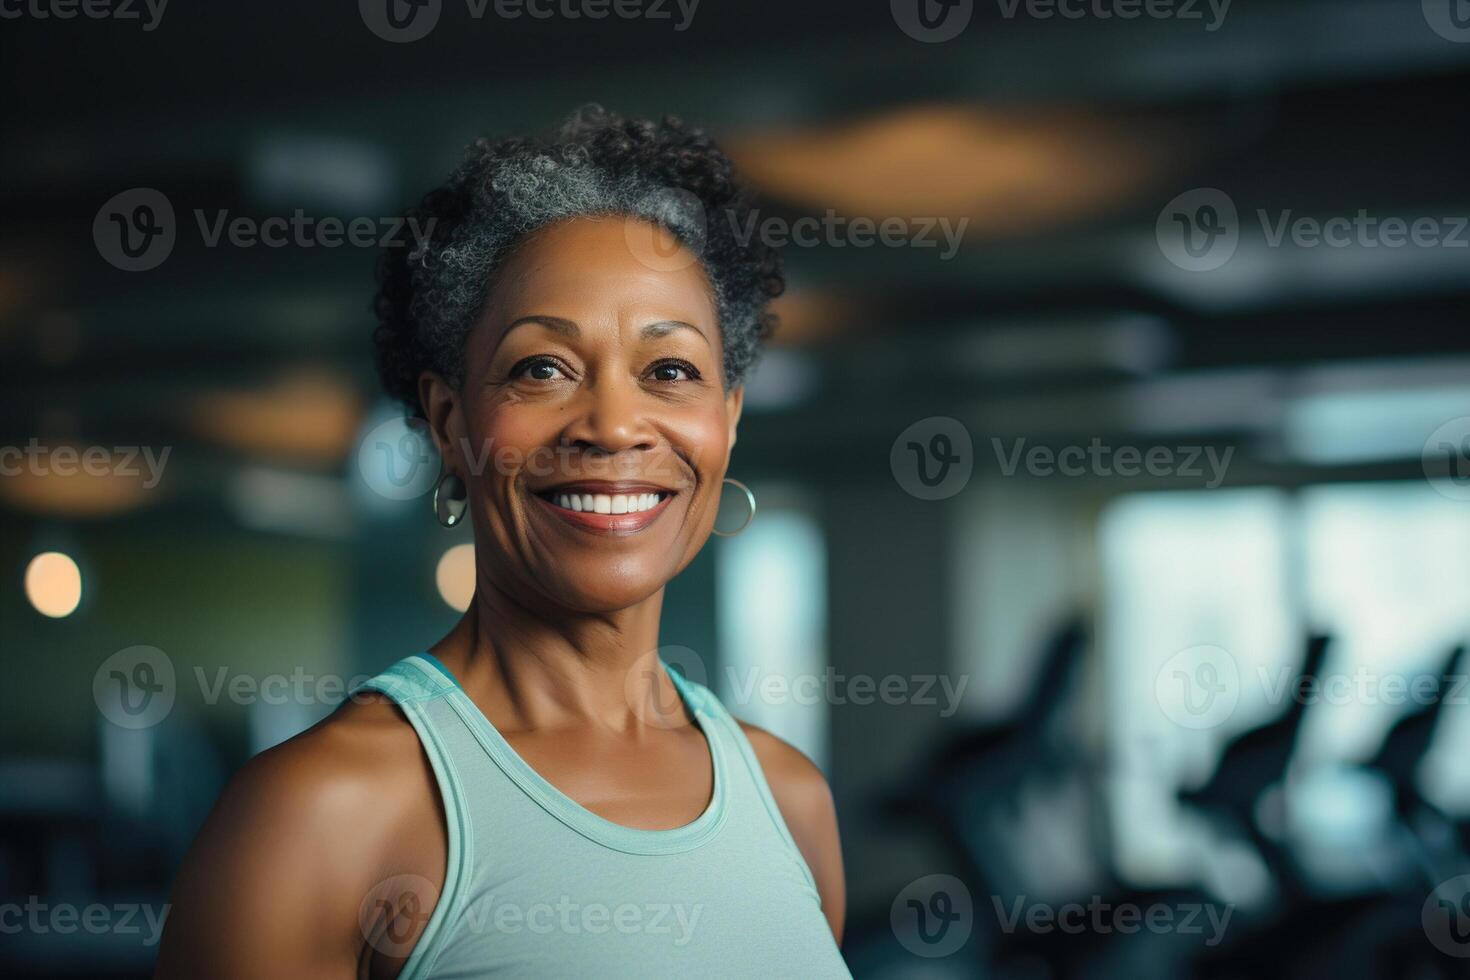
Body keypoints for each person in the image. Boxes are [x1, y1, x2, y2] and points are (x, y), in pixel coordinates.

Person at [154, 105, 849, 979]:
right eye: (542, 368)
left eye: (670, 371)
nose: (613, 424)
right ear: (450, 423)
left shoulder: (790, 799)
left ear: (727, 421)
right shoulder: (319, 812)